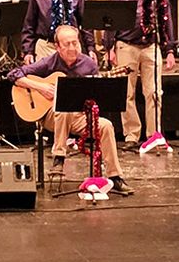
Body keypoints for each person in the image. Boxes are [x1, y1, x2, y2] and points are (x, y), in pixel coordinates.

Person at [7, 25, 127, 190]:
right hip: (52, 117)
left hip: (79, 117)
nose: (72, 48)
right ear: (58, 47)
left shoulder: (88, 64)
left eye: (75, 43)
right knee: (64, 107)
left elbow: (95, 96)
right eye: (67, 44)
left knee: (106, 126)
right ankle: (59, 157)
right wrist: (40, 87)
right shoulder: (50, 62)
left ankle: (115, 176)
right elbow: (14, 74)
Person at [107, 0, 176, 149]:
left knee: (154, 92)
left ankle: (154, 135)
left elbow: (167, 19)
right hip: (126, 45)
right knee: (126, 93)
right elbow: (112, 20)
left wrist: (169, 49)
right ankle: (131, 135)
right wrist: (109, 47)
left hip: (150, 46)